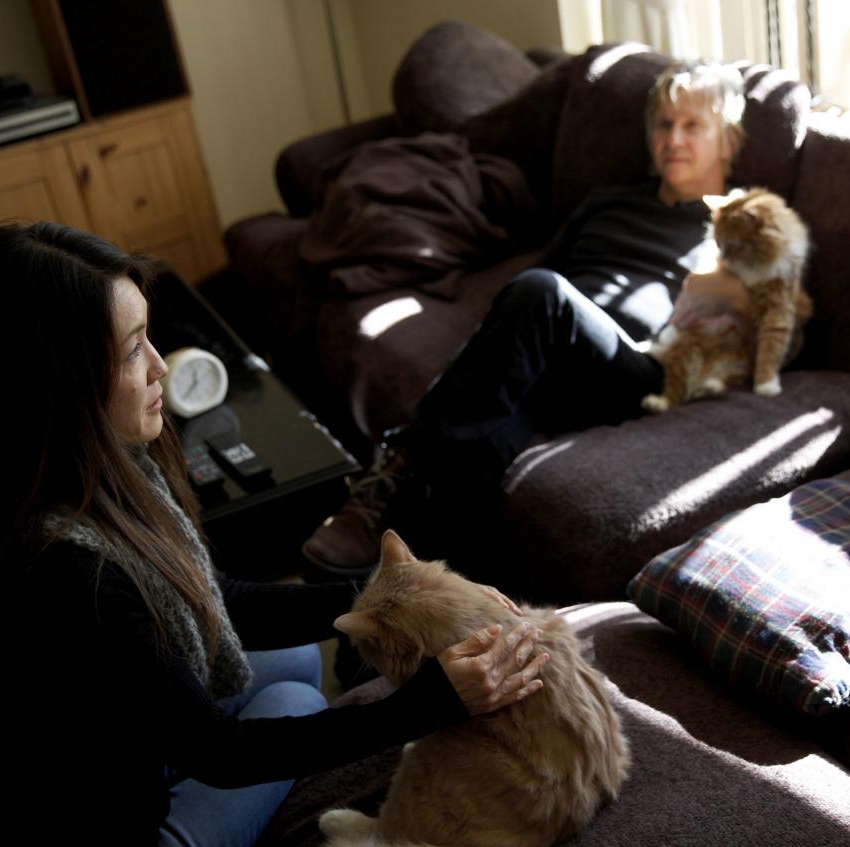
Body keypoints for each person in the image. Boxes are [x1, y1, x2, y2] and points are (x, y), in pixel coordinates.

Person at [0, 221, 548, 847]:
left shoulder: (38, 479)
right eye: (134, 351)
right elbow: (223, 755)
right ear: (59, 383)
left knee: (288, 661)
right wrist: (422, 706)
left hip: (53, 786)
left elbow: (217, 602)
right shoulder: (72, 572)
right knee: (293, 694)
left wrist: (405, 594)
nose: (162, 367)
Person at [302, 59, 754, 577]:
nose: (673, 138)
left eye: (692, 125)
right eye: (663, 124)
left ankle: (398, 467)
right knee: (493, 428)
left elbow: (763, 324)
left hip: (638, 365)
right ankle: (402, 577)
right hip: (557, 343)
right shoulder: (608, 203)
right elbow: (542, 274)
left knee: (542, 295)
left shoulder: (738, 225)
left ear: (729, 141)